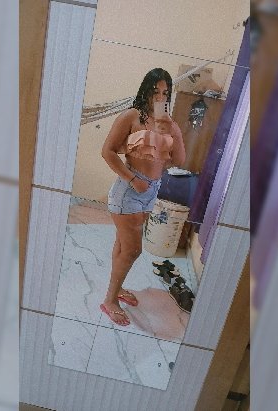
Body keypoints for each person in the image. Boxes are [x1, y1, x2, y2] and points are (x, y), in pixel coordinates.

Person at [100, 68, 186, 326]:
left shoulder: (167, 124)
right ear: (145, 90)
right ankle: (109, 301)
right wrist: (133, 179)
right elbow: (108, 151)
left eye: (165, 93)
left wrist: (174, 131)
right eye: (155, 91)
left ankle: (116, 289)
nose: (159, 97)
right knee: (133, 250)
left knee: (122, 245)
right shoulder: (131, 116)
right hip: (129, 190)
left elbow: (179, 161)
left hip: (151, 191)